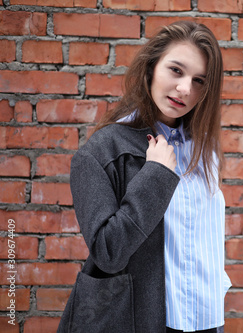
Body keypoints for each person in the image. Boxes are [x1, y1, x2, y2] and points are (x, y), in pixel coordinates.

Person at [57, 21, 230, 333]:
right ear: (151, 68)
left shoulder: (205, 151)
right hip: (140, 321)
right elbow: (108, 253)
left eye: (199, 80)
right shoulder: (102, 152)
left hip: (205, 321)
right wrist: (157, 174)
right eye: (176, 70)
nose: (185, 89)